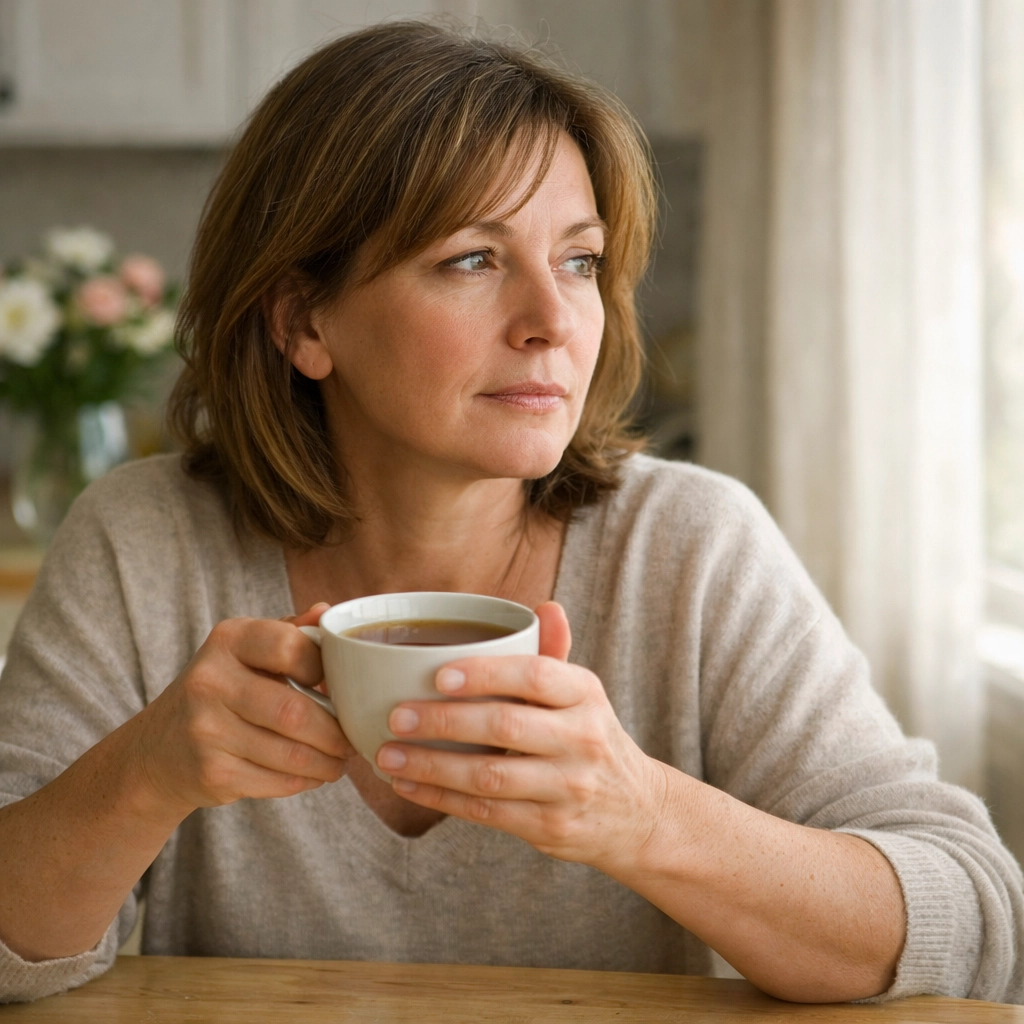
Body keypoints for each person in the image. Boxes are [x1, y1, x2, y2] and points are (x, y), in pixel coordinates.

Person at [0, 20, 1021, 1007]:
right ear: (304, 319)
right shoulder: (145, 540)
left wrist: (642, 812)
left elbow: (971, 921)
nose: (553, 321)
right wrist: (143, 774)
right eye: (473, 260)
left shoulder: (690, 547)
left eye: (578, 260)